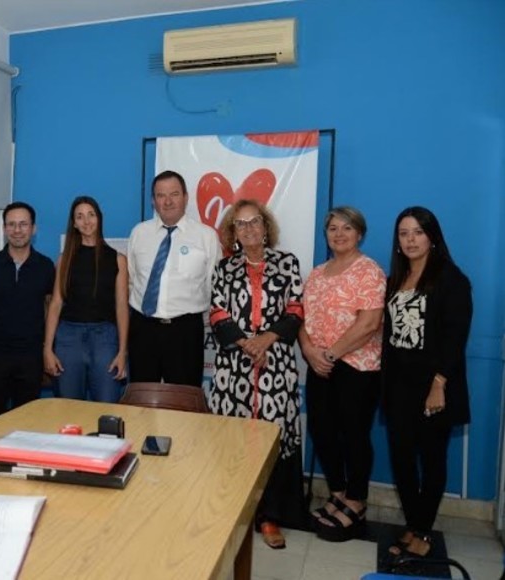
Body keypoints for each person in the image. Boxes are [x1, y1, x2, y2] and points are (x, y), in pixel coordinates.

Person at [205, 199, 304, 550]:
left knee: (272, 441)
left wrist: (266, 339)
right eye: (240, 224)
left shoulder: (287, 263)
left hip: (275, 361)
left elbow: (295, 308)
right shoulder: (224, 267)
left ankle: (270, 517)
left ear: (266, 227)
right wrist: (247, 344)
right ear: (233, 232)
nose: (248, 229)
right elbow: (217, 313)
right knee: (234, 441)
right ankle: (233, 511)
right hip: (235, 365)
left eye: (254, 222)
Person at [382, 206, 472, 564]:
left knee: (431, 461)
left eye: (418, 232)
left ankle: (422, 533)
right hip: (398, 386)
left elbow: (454, 338)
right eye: (404, 233)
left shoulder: (452, 279)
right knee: (402, 459)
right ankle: (413, 523)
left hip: (433, 384)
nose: (410, 239)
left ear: (432, 237)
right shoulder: (397, 277)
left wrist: (439, 384)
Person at [299, 207, 386, 542]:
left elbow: (369, 324)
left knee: (354, 435)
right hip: (319, 365)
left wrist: (331, 354)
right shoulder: (317, 274)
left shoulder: (369, 272)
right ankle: (337, 492)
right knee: (322, 431)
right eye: (332, 228)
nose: (339, 234)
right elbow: (302, 319)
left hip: (356, 367)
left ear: (359, 233)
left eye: (347, 228)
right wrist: (309, 351)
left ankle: (356, 499)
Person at [127, 170, 220, 387]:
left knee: (184, 402)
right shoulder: (139, 233)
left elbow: (212, 285)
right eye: (161, 195)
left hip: (185, 332)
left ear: (186, 197)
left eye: (174, 194)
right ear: (153, 201)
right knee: (142, 399)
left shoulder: (206, 237)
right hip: (143, 328)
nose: (167, 201)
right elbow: (131, 280)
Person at [43, 196, 128, 402]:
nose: (86, 221)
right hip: (68, 339)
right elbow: (55, 304)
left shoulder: (118, 259)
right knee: (68, 410)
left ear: (99, 218)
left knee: (107, 408)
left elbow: (121, 307)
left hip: (105, 340)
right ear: (74, 223)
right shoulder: (64, 259)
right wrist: (47, 348)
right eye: (79, 217)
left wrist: (122, 351)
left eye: (91, 215)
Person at [0, 202, 55, 420]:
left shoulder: (45, 266)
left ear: (33, 228)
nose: (17, 230)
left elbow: (51, 306)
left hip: (30, 356)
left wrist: (48, 348)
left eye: (23, 224)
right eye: (11, 224)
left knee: (27, 422)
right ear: (4, 229)